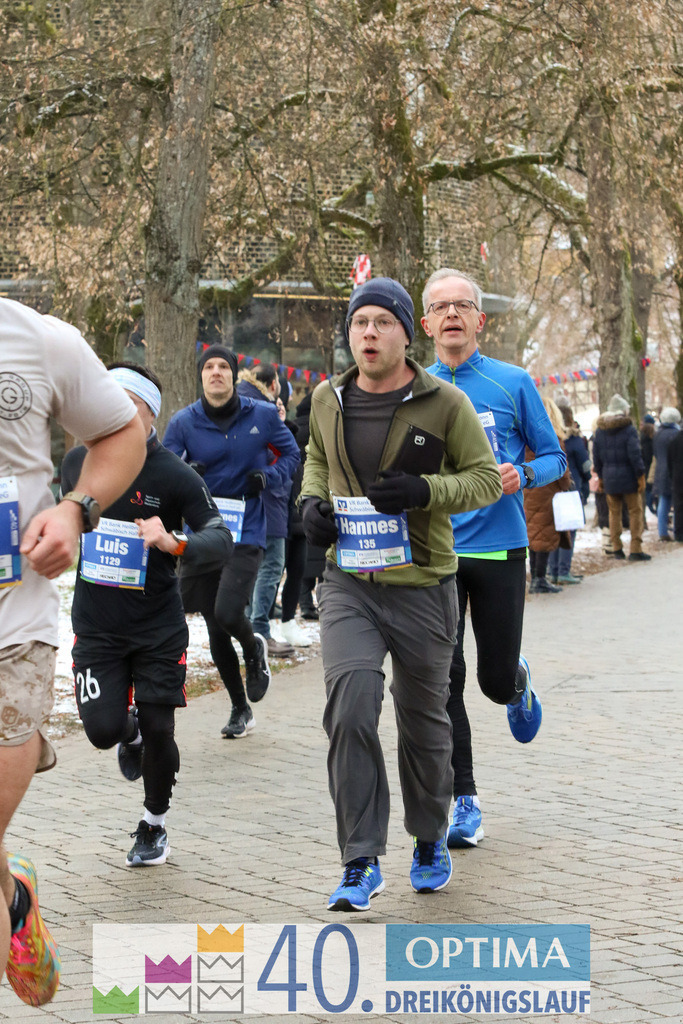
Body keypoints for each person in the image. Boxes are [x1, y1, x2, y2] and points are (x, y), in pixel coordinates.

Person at [301, 277, 502, 910]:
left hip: (422, 584)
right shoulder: (327, 399)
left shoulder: (442, 403)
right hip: (349, 582)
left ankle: (429, 836)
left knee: (423, 722)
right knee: (351, 705)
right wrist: (310, 503)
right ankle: (360, 859)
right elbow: (315, 458)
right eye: (359, 323)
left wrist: (426, 493)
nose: (368, 333)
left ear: (405, 332)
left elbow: (486, 480)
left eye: (381, 323)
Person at [0, 297, 146, 1006]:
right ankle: (14, 896)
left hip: (11, 626)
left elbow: (122, 436)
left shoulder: (38, 339)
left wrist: (76, 508)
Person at [61, 364, 233, 867]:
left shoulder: (176, 476)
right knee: (100, 730)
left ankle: (154, 823)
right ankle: (127, 731)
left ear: (148, 413)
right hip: (96, 626)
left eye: (123, 403)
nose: (109, 412)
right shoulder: (77, 462)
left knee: (162, 727)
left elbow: (220, 538)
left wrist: (172, 540)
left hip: (158, 626)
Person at [423, 268, 566, 850]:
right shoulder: (413, 389)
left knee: (491, 680)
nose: (452, 315)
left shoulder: (512, 383)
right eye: (440, 307)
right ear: (426, 323)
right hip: (435, 553)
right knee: (444, 679)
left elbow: (555, 458)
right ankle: (465, 801)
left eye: (463, 306)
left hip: (501, 549)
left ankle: (517, 681)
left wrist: (522, 474)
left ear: (480, 319)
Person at [163, 345, 300, 739]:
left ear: (234, 374)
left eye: (224, 366)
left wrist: (269, 478)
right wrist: (188, 472)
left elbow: (291, 454)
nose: (216, 372)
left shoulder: (261, 415)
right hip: (204, 531)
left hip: (247, 527)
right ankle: (241, 709)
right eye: (209, 367)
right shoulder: (184, 422)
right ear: (201, 376)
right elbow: (168, 469)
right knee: (214, 622)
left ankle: (254, 649)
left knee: (226, 611)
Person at [236, 364, 296, 657]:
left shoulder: (239, 402)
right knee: (272, 563)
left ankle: (248, 626)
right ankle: (259, 629)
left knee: (250, 566)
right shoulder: (263, 409)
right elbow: (281, 453)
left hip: (247, 499)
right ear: (272, 384)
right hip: (267, 497)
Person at [524, 398, 574, 594]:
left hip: (529, 490)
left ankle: (536, 577)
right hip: (547, 492)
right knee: (543, 534)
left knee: (534, 534)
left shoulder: (526, 435)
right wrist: (565, 485)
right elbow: (562, 469)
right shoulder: (553, 437)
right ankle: (539, 579)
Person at [592, 394, 650, 562]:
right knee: (635, 512)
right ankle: (635, 548)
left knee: (614, 513)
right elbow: (635, 454)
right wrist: (640, 475)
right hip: (629, 478)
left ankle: (617, 548)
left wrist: (601, 477)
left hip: (609, 478)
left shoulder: (600, 430)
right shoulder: (629, 429)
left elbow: (597, 457)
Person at [548, 400, 591, 584]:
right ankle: (564, 570)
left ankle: (553, 570)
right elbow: (585, 465)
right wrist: (586, 478)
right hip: (571, 490)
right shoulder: (573, 440)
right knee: (569, 530)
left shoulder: (550, 437)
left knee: (553, 530)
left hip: (550, 491)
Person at [652, 407, 681, 541]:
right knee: (677, 503)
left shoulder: (658, 434)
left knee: (663, 502)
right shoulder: (676, 434)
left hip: (661, 471)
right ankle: (677, 529)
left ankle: (662, 531)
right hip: (675, 471)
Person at [667, 424, 683, 542]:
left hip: (678, 476)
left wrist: (672, 474)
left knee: (678, 505)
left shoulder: (674, 440)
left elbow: (669, 460)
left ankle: (678, 533)